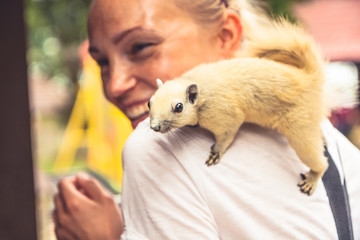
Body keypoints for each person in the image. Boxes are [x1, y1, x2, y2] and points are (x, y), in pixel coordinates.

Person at [53, 0, 360, 239]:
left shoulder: (155, 149)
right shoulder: (322, 135)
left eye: (141, 47)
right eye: (102, 62)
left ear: (226, 35)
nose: (114, 84)